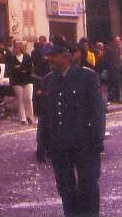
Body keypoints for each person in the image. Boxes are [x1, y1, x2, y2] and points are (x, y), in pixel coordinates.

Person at [37, 46, 105, 217]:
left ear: (66, 56)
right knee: (65, 189)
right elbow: (45, 115)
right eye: (49, 56)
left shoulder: (87, 77)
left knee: (88, 187)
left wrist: (98, 139)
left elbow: (97, 110)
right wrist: (41, 143)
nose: (50, 60)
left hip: (85, 143)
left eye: (54, 56)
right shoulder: (48, 80)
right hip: (59, 144)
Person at [7, 41, 35, 124]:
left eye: (16, 47)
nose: (14, 49)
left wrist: (21, 68)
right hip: (17, 81)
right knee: (20, 99)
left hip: (27, 80)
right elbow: (11, 70)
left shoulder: (27, 56)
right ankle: (23, 118)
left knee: (29, 99)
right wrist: (20, 69)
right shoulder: (12, 58)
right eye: (14, 47)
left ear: (20, 48)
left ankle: (30, 116)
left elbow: (30, 68)